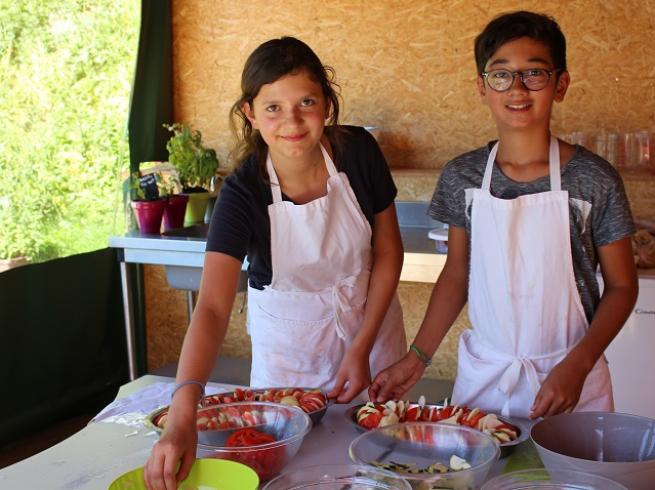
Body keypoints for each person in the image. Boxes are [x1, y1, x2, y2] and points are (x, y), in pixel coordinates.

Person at [144, 36, 406, 489]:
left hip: (372, 338)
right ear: (250, 113)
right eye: (273, 108)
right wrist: (183, 414)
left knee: (381, 469)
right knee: (291, 475)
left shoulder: (358, 152)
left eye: (306, 101)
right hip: (290, 362)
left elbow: (388, 253)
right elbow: (211, 307)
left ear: (326, 103)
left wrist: (360, 348)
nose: (292, 121)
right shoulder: (242, 194)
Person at [369, 11, 638, 421]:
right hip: (486, 380)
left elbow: (622, 287)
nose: (517, 88)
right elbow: (457, 275)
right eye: (501, 75)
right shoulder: (463, 176)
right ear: (482, 86)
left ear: (560, 84)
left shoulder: (593, 179)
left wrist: (579, 365)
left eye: (534, 73)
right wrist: (417, 358)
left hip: (568, 378)